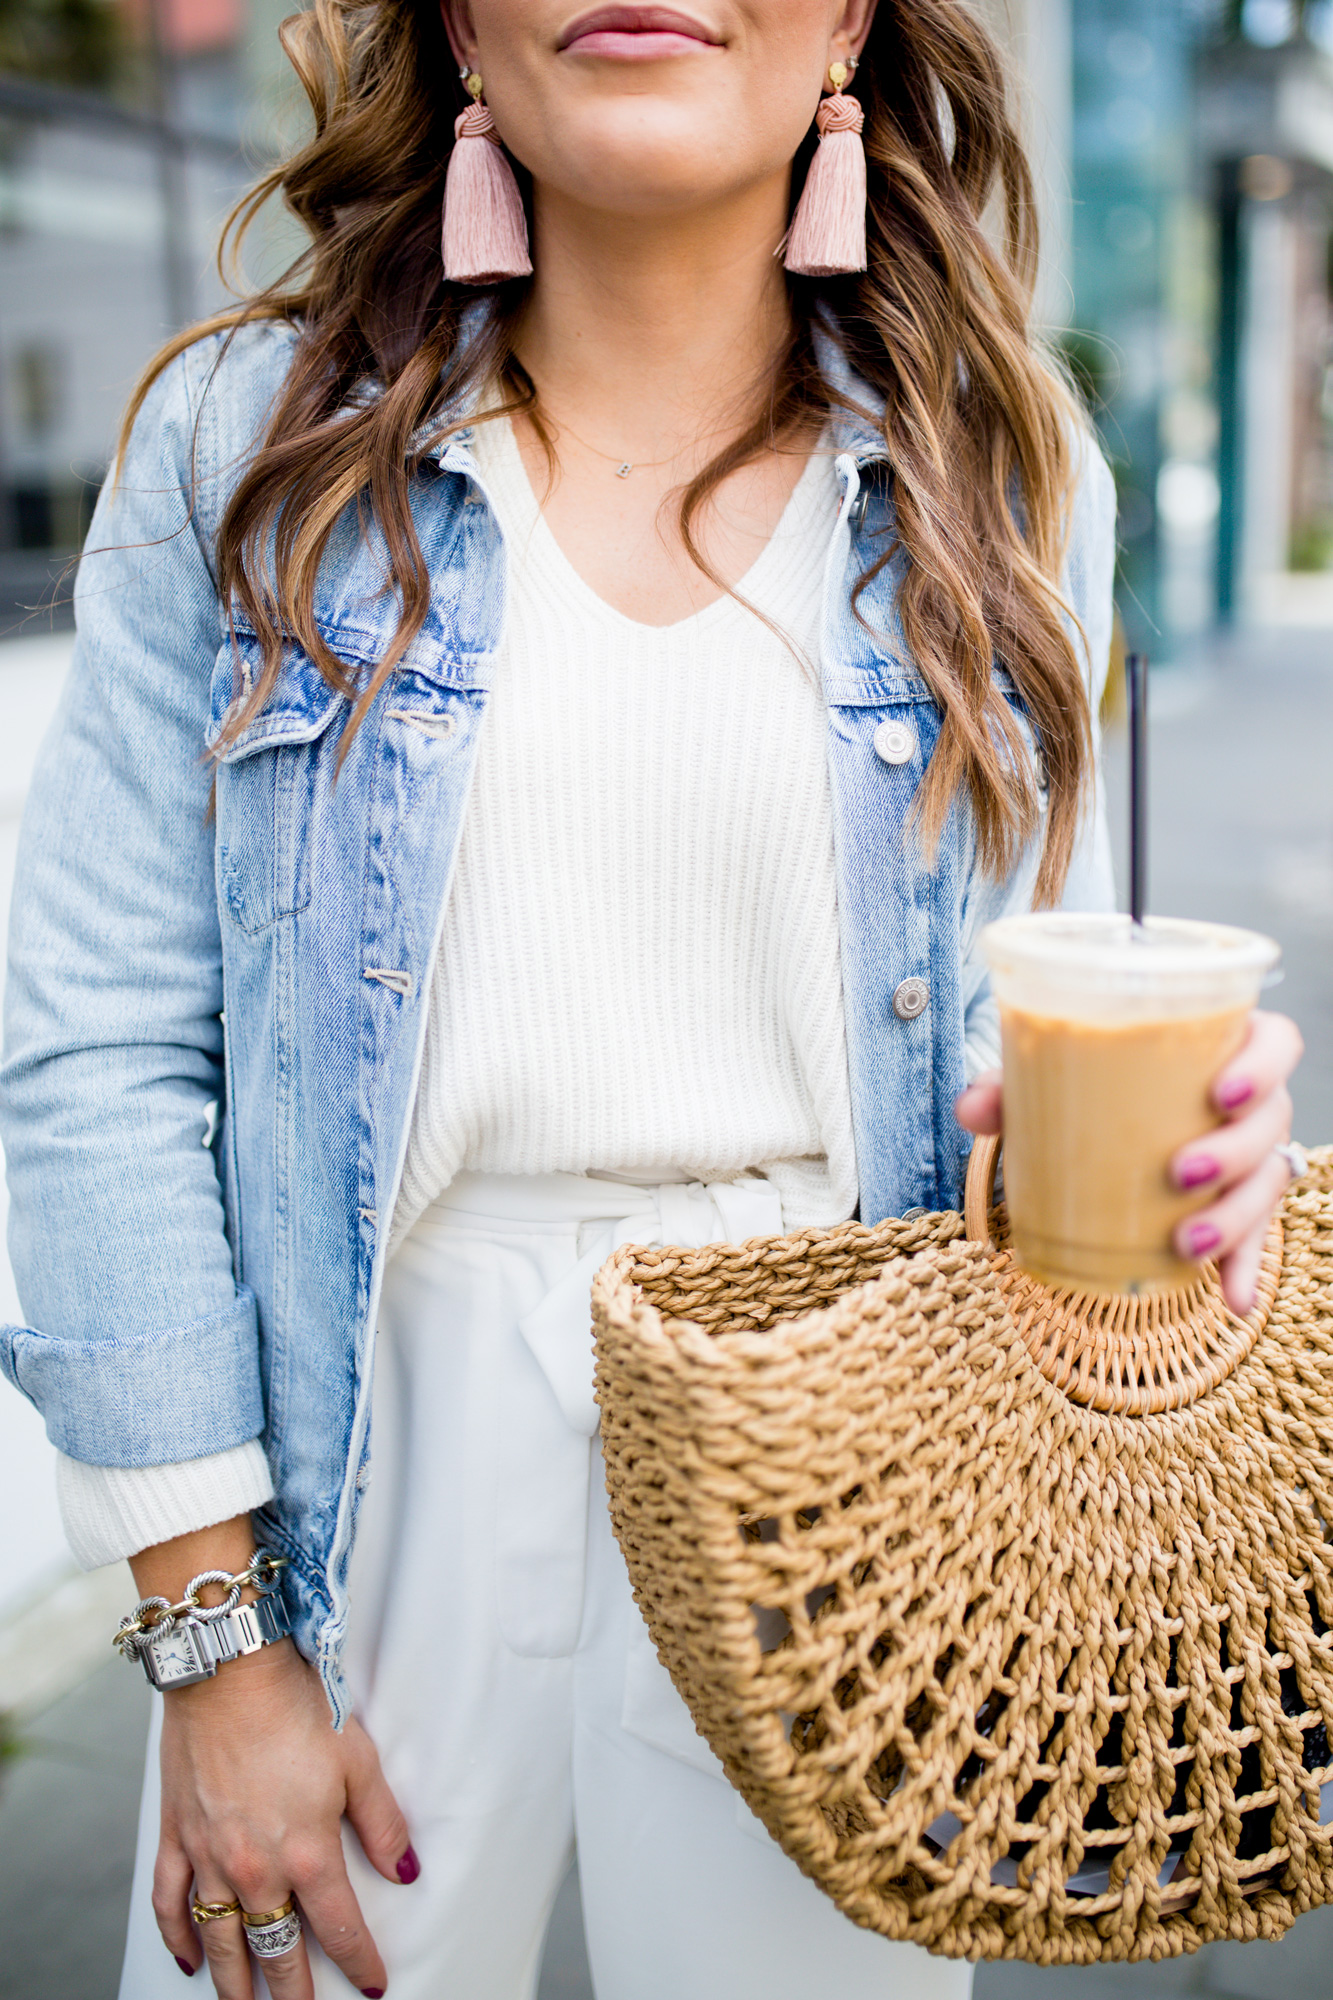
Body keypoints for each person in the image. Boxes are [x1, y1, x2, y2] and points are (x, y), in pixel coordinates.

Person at [0, 1, 1303, 1996]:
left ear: (851, 20)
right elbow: (99, 1044)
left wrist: (1166, 1152)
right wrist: (210, 1637)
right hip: (365, 1466)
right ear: (455, 23)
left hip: (836, 1468)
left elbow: (1003, 1051)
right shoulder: (241, 447)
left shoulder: (1009, 472)